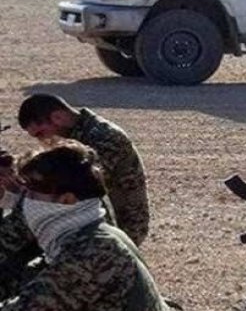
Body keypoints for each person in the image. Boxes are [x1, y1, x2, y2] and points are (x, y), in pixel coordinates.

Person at [0, 141, 172, 311]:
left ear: (67, 200)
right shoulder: (91, 232)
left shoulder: (92, 252)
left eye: (33, 190)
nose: (25, 199)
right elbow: (31, 278)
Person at [18, 94, 150, 246]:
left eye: (40, 133)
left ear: (58, 117)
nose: (42, 140)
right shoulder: (77, 135)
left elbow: (80, 185)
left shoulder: (104, 137)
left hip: (120, 225)